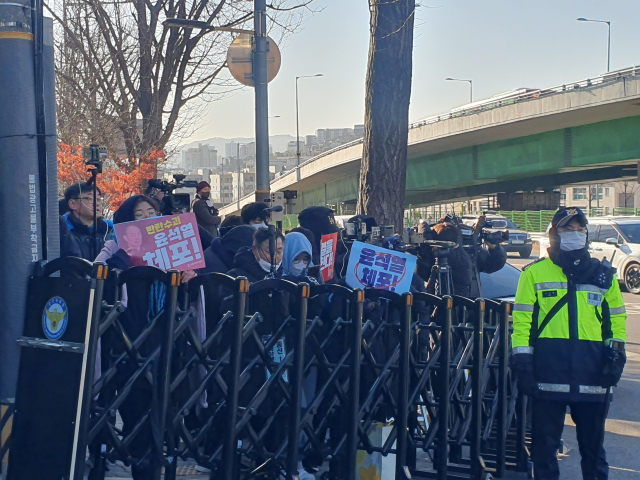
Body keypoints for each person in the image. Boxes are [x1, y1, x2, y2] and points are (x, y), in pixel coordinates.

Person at [511, 207, 627, 480]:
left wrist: (615, 357)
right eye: (567, 230)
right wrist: (523, 364)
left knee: (594, 452)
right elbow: (522, 324)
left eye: (579, 230)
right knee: (544, 452)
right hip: (547, 377)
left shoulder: (604, 276)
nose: (575, 235)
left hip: (593, 377)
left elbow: (616, 323)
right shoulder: (533, 274)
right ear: (553, 235)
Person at [60, 182, 116, 261]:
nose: (97, 204)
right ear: (73, 204)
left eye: (98, 199)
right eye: (90, 199)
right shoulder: (61, 229)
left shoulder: (111, 229)